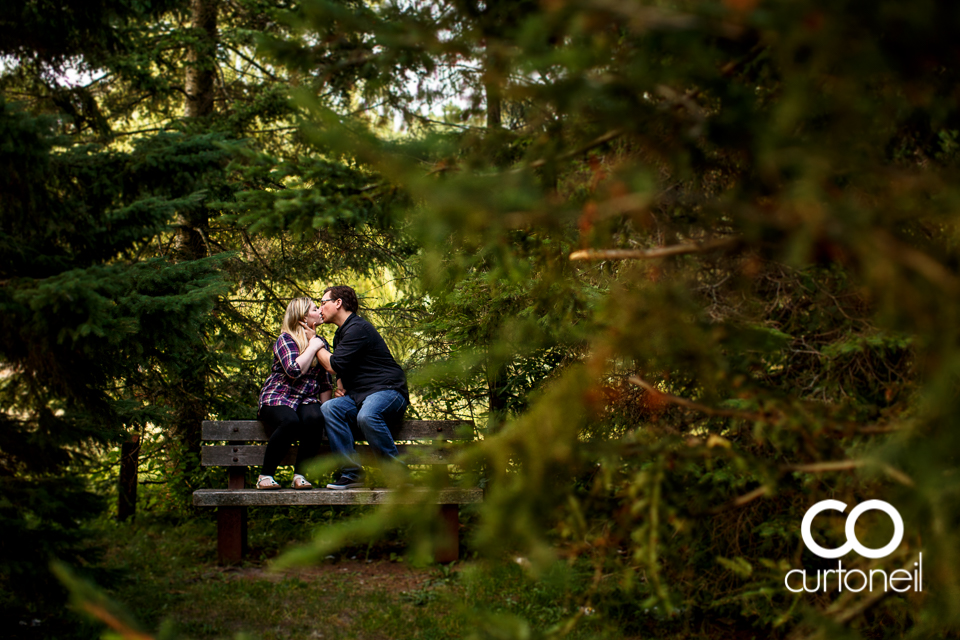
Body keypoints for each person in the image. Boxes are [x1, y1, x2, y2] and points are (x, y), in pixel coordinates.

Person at [314, 285, 409, 489]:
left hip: (388, 391)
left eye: (323, 303)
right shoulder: (340, 334)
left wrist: (314, 342)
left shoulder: (358, 328)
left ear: (338, 303)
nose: (320, 308)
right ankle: (352, 473)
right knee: (329, 408)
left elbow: (332, 365)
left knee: (367, 415)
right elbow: (343, 368)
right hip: (360, 396)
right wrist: (341, 385)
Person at [255, 297, 333, 490]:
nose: (320, 311)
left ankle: (300, 475)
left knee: (315, 418)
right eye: (316, 309)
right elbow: (293, 370)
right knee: (290, 422)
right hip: (278, 396)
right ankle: (265, 475)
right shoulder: (285, 339)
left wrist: (327, 411)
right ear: (303, 317)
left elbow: (324, 382)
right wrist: (313, 346)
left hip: (306, 399)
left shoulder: (322, 342)